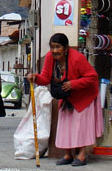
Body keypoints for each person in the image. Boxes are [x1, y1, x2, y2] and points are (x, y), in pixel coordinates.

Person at [27, 33, 103, 166]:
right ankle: (67, 155)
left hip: (84, 94)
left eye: (58, 47)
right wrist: (36, 78)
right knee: (66, 125)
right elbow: (45, 77)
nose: (55, 51)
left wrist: (73, 84)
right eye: (52, 47)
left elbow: (92, 77)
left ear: (66, 48)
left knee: (80, 126)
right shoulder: (50, 58)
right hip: (66, 95)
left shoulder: (77, 58)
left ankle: (81, 156)